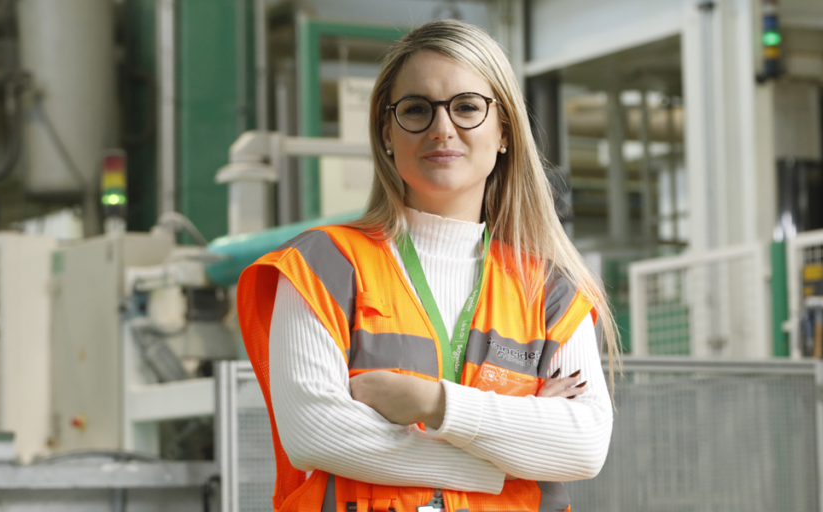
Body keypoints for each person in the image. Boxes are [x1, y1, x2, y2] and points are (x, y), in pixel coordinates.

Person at [236, 19, 618, 512]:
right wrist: (509, 451)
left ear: (503, 131)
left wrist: (432, 403)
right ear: (387, 133)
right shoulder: (325, 265)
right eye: (416, 109)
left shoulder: (550, 291)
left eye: (466, 107)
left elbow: (583, 446)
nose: (442, 129)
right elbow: (316, 433)